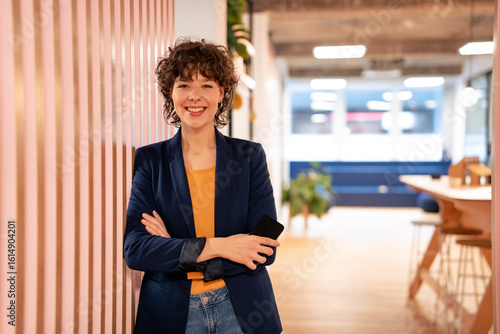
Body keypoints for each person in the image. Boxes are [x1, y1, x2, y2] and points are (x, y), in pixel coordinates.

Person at [124, 38, 283, 334]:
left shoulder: (249, 157)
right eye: (184, 85)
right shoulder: (150, 160)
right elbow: (136, 251)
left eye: (206, 85)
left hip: (244, 309)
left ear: (221, 93)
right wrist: (222, 246)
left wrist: (177, 248)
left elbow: (264, 249)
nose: (194, 96)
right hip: (171, 314)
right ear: (170, 92)